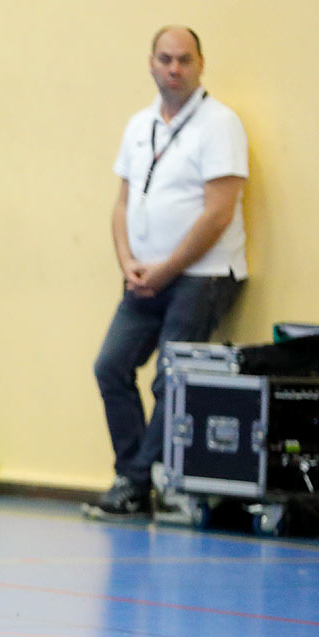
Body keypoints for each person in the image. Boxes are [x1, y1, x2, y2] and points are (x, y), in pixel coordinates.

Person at [84, 26, 249, 520]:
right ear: (151, 63)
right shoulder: (139, 125)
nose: (174, 69)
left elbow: (218, 214)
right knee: (111, 365)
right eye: (165, 59)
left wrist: (165, 270)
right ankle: (134, 475)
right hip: (144, 275)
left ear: (200, 65)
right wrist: (128, 261)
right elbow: (121, 203)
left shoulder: (220, 125)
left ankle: (137, 484)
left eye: (184, 60)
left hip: (203, 274)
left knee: (169, 379)